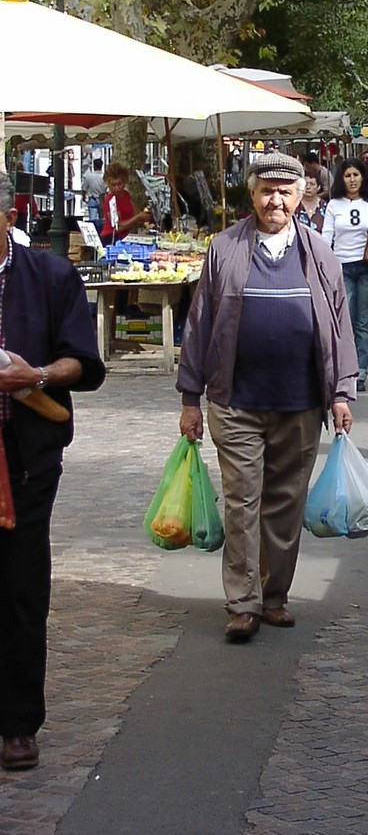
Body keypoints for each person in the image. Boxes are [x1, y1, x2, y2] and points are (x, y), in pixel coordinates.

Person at [177, 152, 358, 642]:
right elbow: (200, 325)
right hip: (236, 401)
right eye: (265, 190)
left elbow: (339, 327)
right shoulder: (225, 248)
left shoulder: (319, 254)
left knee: (284, 504)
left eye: (285, 191)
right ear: (252, 194)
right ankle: (243, 602)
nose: (274, 199)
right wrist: (190, 397)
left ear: (302, 196)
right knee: (241, 501)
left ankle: (275, 596)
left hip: (300, 403)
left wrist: (342, 392)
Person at [0, 171, 105, 770]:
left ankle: (18, 722)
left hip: (26, 452)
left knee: (19, 585)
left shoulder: (49, 274)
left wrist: (34, 375)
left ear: (8, 218)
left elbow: (82, 363)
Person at [322, 158, 368, 392]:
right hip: (341, 266)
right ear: (341, 179)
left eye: (356, 175)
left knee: (364, 323)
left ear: (362, 177)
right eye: (347, 175)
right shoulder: (334, 205)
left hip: (367, 267)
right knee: (345, 321)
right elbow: (326, 236)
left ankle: (360, 372)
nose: (352, 180)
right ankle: (345, 370)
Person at [99, 163, 151, 245]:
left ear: (125, 181)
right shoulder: (110, 199)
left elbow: (135, 212)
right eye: (113, 185)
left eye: (119, 184)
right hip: (111, 238)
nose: (117, 188)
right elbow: (118, 227)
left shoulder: (126, 194)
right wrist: (138, 217)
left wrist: (145, 215)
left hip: (125, 238)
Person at [81, 157, 106, 225]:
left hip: (92, 199)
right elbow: (107, 189)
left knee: (92, 219)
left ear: (94, 166)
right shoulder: (105, 177)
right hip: (102, 199)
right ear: (101, 166)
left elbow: (84, 188)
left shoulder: (89, 176)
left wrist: (83, 197)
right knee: (103, 219)